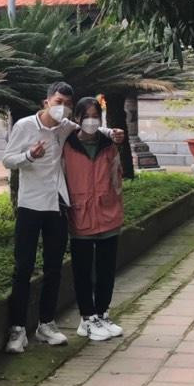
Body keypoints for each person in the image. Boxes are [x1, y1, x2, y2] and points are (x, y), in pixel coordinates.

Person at [1, 81, 125, 353]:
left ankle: (46, 324)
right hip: (30, 205)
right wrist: (28, 156)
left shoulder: (65, 127)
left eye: (68, 104)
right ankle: (18, 329)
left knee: (54, 269)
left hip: (57, 206)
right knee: (23, 267)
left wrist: (113, 133)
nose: (63, 108)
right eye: (59, 102)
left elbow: (90, 127)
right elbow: (7, 159)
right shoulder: (24, 126)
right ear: (46, 102)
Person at [63, 97, 125, 343]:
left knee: (106, 269)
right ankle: (87, 318)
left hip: (108, 212)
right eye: (86, 116)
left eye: (95, 116)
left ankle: (102, 313)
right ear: (77, 118)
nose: (91, 121)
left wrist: (115, 203)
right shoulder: (67, 145)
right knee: (82, 271)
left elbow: (117, 176)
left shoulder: (109, 144)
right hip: (80, 214)